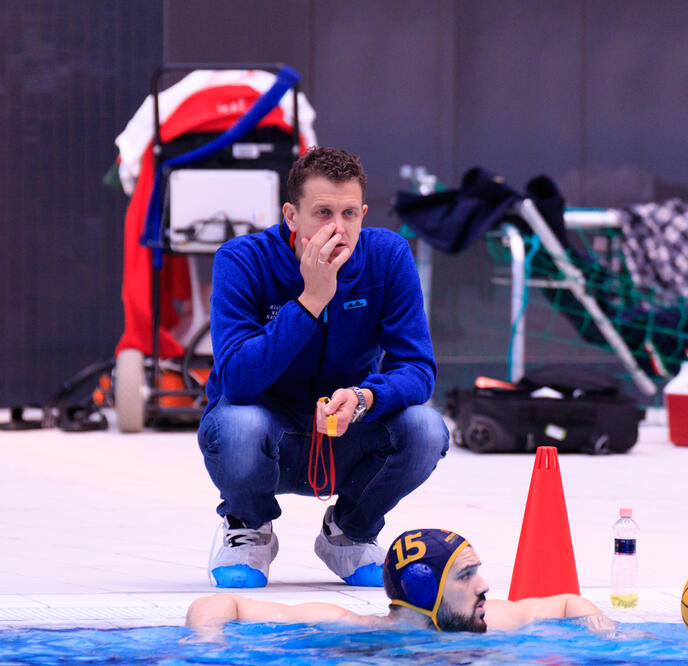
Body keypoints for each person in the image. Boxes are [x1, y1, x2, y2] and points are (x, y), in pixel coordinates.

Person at [198, 147, 449, 590]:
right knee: (236, 424)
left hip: (344, 432)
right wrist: (312, 298)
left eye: (350, 213)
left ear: (364, 213)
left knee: (426, 428)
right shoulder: (242, 260)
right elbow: (235, 380)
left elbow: (418, 368)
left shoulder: (387, 257)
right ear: (291, 216)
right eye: (323, 213)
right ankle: (248, 529)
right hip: (266, 435)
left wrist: (367, 397)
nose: (338, 227)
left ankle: (350, 533)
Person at [186, 528, 611, 634]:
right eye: (466, 575)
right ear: (425, 588)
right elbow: (217, 606)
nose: (484, 585)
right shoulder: (346, 626)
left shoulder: (494, 619)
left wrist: (607, 633)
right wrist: (208, 642)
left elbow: (569, 602)